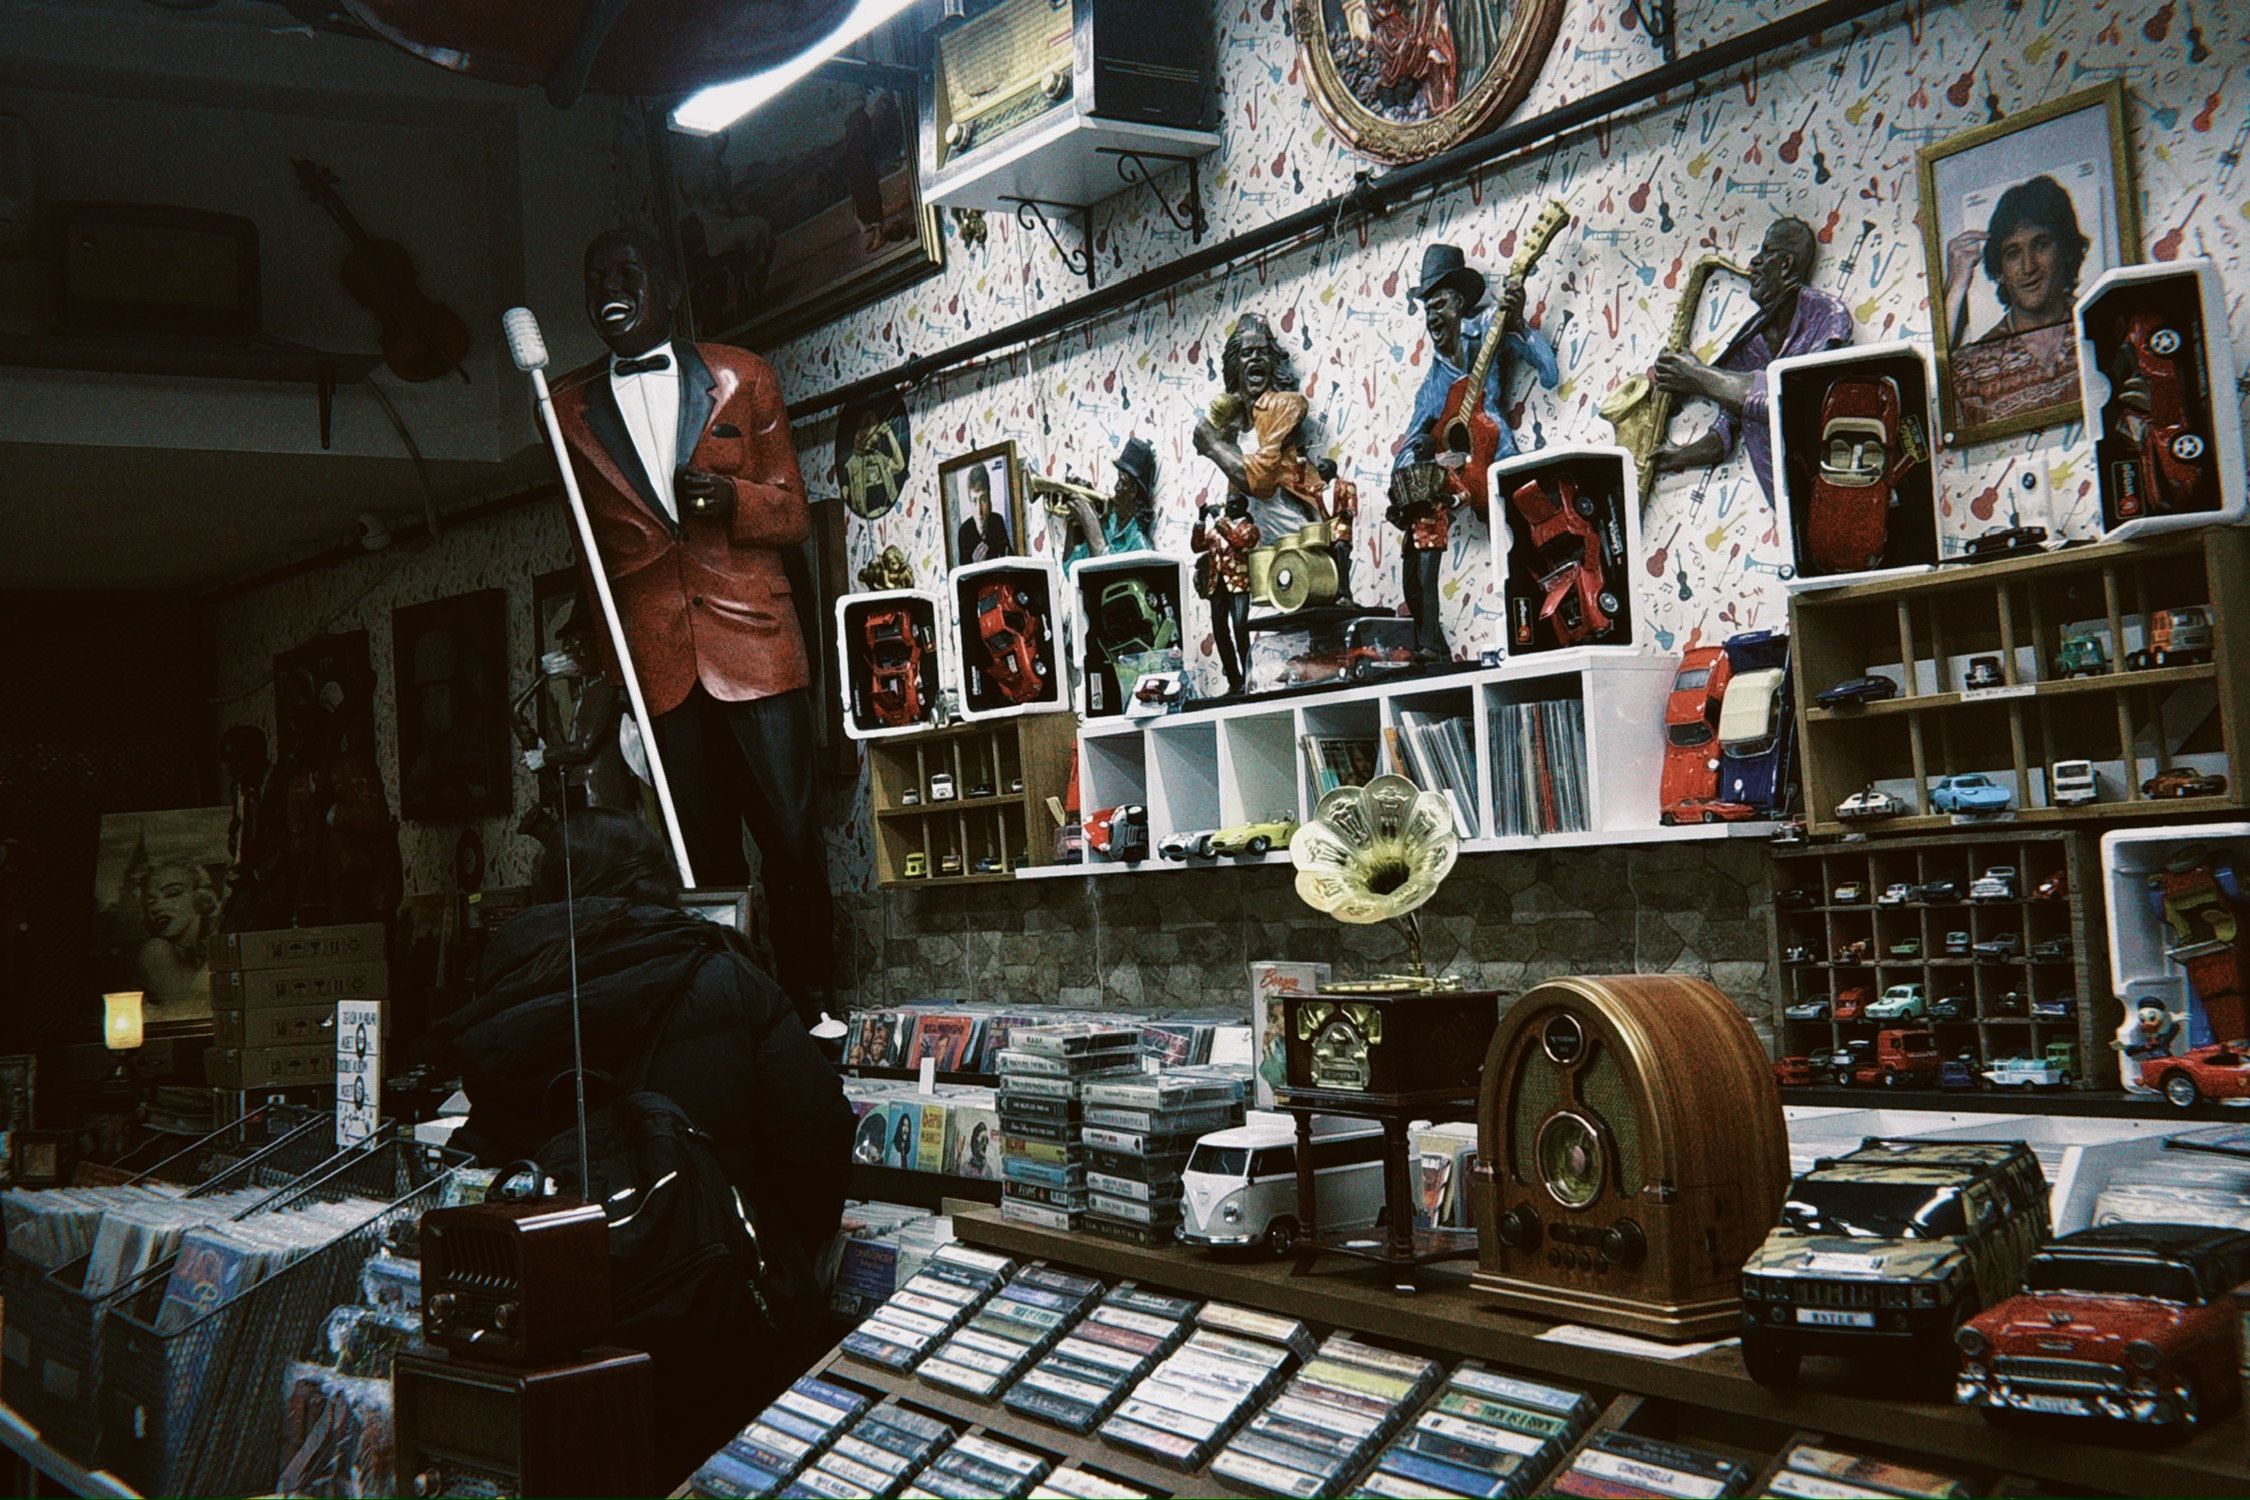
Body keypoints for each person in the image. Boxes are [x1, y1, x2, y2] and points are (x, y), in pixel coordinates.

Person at [432, 808, 853, 1487]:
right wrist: (764, 1246)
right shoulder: (722, 973)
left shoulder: (508, 984)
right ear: (650, 882)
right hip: (710, 1315)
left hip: (559, 1328)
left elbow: (489, 1154)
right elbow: (818, 1136)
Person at [550, 226, 835, 1027]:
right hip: (656, 659)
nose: (610, 288)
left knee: (790, 837)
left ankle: (815, 1003)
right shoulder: (563, 408)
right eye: (596, 277)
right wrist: (614, 677)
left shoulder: (743, 375)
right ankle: (737, 1010)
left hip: (757, 645)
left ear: (669, 290)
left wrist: (734, 499)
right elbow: (587, 552)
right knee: (699, 855)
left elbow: (794, 513)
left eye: (628, 272)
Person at [1650, 216, 1855, 506]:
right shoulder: (1750, 340)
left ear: (1785, 264)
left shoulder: (1826, 315)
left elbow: (1793, 399)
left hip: (1834, 488)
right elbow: (1726, 430)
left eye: (1765, 252)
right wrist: (1677, 457)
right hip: (1788, 505)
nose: (1753, 263)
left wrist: (1698, 377)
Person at [1967, 175, 2089, 344]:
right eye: (2013, 254)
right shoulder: (1982, 353)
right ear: (2000, 271)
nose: (2028, 267)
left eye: (2041, 246)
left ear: (2066, 249)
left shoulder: (2100, 322)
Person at [1192, 493, 1260, 696]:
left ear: (1243, 507)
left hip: (1238, 585)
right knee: (1220, 632)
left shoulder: (1250, 529)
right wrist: (1201, 520)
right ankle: (1234, 681)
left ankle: (1249, 679)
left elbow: (1238, 542)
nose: (1229, 507)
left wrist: (1219, 521)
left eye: (1233, 504)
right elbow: (1197, 546)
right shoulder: (1217, 529)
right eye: (1228, 504)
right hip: (1217, 586)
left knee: (1240, 630)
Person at [1060, 438, 1157, 568]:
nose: (1116, 488)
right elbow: (1070, 569)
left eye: (1122, 482)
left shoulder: (1140, 548)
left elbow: (1107, 575)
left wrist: (1090, 522)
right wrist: (1074, 520)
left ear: (1133, 491)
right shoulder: (1107, 525)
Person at [956, 463, 1012, 565]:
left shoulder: (997, 521)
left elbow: (1010, 557)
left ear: (989, 500)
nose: (979, 510)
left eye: (983, 500)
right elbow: (963, 571)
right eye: (974, 501)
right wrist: (973, 564)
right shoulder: (964, 532)